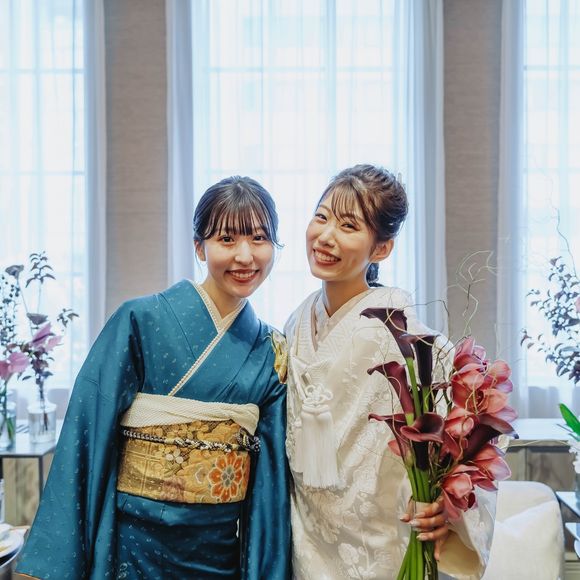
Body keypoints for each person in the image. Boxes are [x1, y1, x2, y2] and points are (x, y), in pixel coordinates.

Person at [17, 176, 291, 579]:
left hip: (218, 552)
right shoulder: (140, 320)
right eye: (227, 239)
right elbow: (87, 429)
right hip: (136, 545)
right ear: (199, 247)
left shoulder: (271, 350)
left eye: (259, 238)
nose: (245, 255)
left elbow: (270, 480)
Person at [285, 164, 495, 579]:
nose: (325, 236)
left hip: (377, 545)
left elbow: (472, 416)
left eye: (348, 225)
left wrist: (445, 505)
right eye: (321, 217)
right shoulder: (297, 320)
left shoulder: (404, 332)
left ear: (381, 248)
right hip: (307, 543)